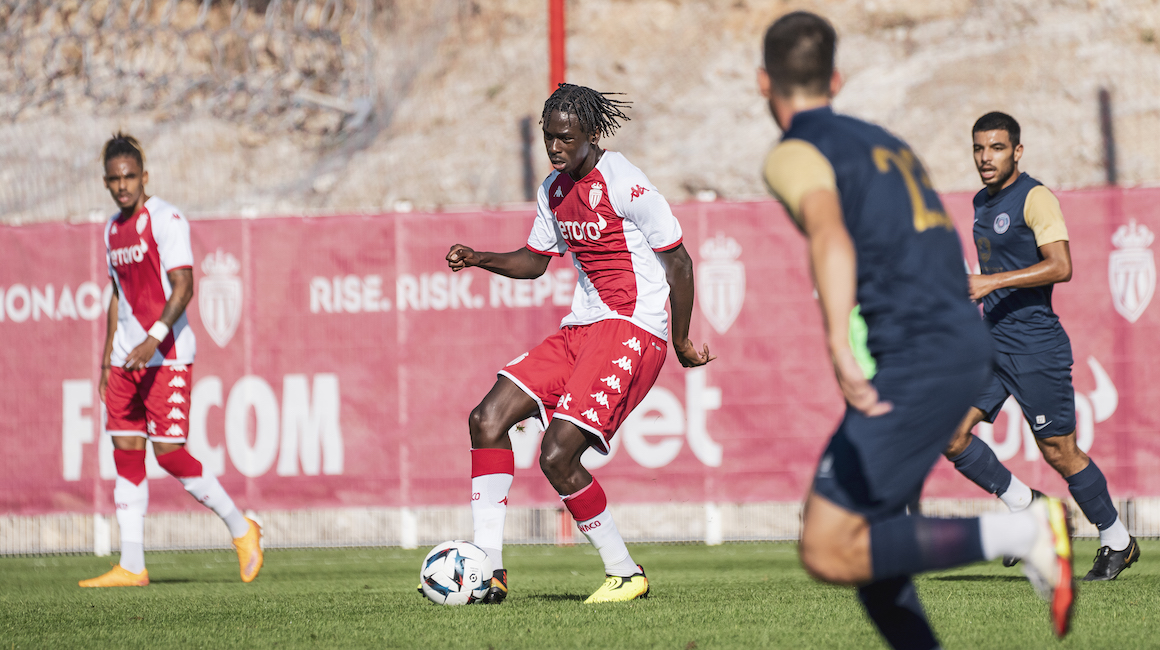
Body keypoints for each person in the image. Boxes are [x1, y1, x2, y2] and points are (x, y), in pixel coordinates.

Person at [759, 13, 1074, 647]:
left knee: (825, 546)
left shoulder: (796, 151)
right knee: (870, 544)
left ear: (764, 82)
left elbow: (828, 232)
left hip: (920, 354)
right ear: (836, 80)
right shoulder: (885, 142)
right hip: (956, 341)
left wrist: (838, 346)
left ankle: (1026, 529)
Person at [444, 83, 714, 604]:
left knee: (556, 455)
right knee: (486, 419)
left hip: (632, 328)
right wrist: (480, 258)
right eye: (548, 137)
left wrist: (680, 340)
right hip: (581, 328)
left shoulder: (625, 182)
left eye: (565, 138)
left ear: (591, 133)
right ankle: (488, 569)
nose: (555, 147)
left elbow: (679, 262)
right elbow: (535, 261)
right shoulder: (553, 189)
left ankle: (625, 572)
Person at [941, 111, 1140, 580]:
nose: (986, 158)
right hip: (992, 344)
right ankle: (1027, 509)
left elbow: (1061, 266)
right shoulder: (981, 201)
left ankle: (1117, 540)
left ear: (1017, 151)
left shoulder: (1035, 197)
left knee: (1059, 451)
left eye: (996, 148)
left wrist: (990, 283)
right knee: (948, 432)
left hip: (1035, 346)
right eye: (978, 148)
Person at [79, 133, 263, 588]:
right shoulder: (111, 230)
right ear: (105, 182)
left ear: (145, 176)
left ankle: (242, 529)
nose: (123, 185)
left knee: (169, 454)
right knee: (126, 453)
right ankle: (132, 564)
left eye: (130, 176)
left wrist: (153, 339)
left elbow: (184, 286)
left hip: (166, 356)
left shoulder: (166, 219)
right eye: (114, 179)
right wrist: (106, 361)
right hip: (125, 361)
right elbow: (117, 297)